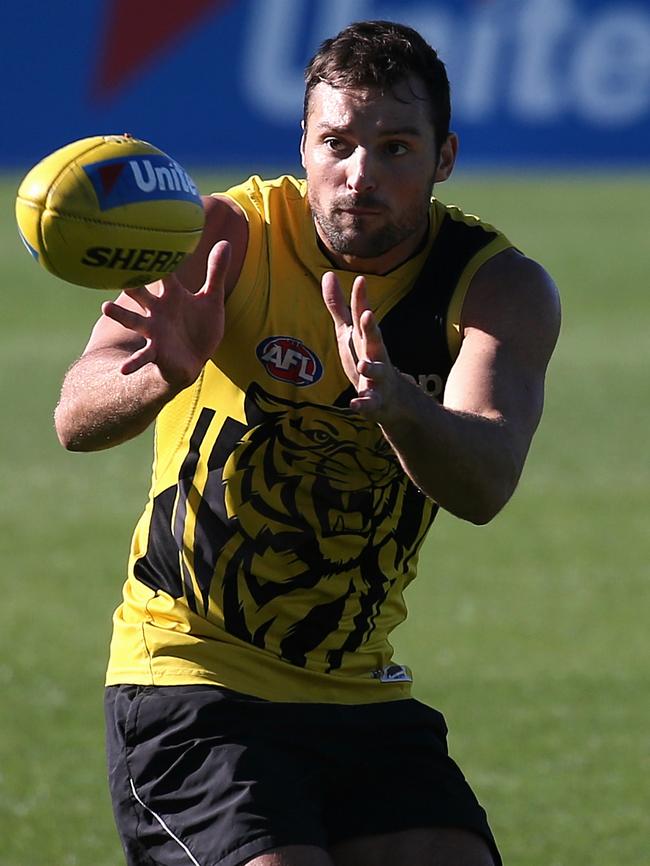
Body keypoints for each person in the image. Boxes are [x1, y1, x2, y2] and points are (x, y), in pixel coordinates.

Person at [54, 19, 560, 866]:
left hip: (359, 691)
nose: (360, 176)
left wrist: (401, 405)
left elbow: (485, 483)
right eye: (337, 143)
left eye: (397, 148)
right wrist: (160, 375)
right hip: (191, 680)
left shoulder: (495, 288)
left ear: (444, 158)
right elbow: (75, 416)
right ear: (303, 143)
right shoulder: (217, 239)